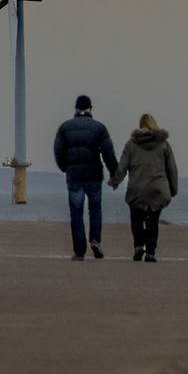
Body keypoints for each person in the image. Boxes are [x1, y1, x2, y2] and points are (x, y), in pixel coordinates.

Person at [53, 94, 118, 260]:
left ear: (75, 109)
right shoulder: (99, 128)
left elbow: (58, 151)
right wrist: (114, 173)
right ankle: (95, 239)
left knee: (76, 213)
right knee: (95, 209)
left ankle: (80, 251)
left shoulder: (64, 128)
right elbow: (108, 153)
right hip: (94, 175)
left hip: (74, 176)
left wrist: (65, 168)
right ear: (90, 108)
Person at [109, 113, 178, 262]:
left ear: (140, 126)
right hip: (158, 189)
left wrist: (115, 181)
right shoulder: (164, 144)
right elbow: (171, 168)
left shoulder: (131, 144)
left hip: (137, 188)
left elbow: (122, 166)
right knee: (153, 221)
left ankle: (139, 245)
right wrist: (173, 189)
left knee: (136, 219)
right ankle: (151, 252)